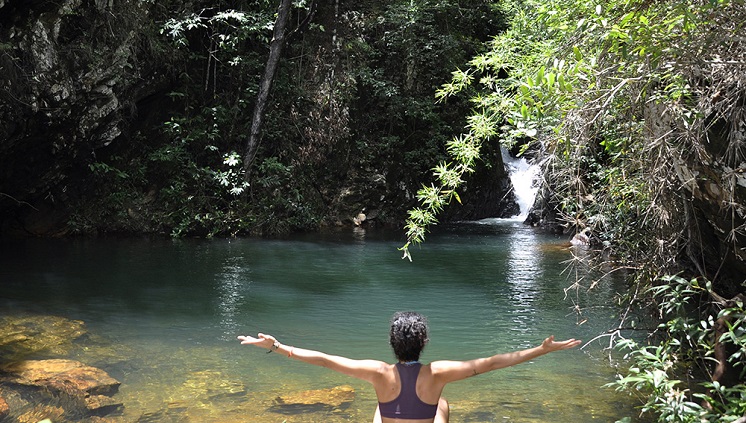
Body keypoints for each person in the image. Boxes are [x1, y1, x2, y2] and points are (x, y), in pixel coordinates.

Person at [237, 311, 581, 423]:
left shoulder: (378, 373)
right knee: (442, 404)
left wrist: (277, 346)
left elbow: (323, 359)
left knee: (379, 405)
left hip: (387, 397)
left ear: (392, 344)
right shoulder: (437, 373)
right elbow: (491, 364)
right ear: (424, 342)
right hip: (430, 398)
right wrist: (542, 349)